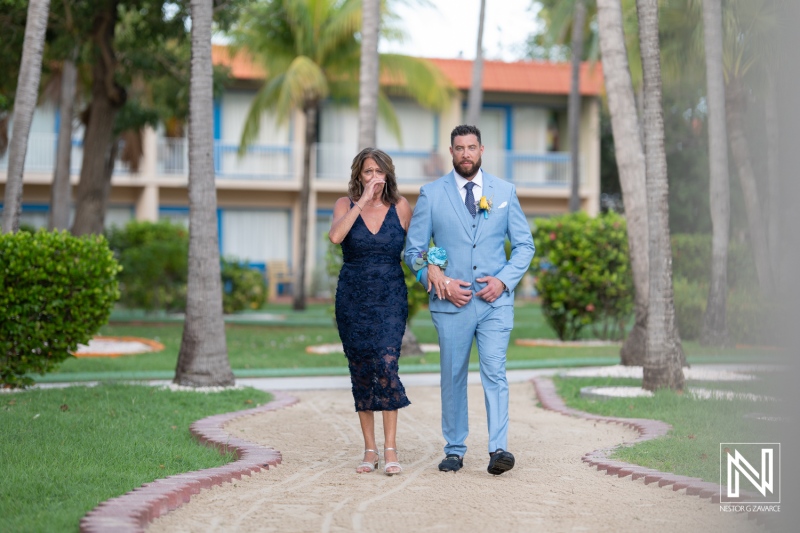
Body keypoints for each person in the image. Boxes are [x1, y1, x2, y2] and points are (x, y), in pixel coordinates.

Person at [404, 125, 535, 475]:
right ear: (451, 152)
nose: (466, 153)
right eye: (459, 148)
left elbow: (524, 246)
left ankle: (498, 450)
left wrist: (504, 281)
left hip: (494, 303)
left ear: (482, 150)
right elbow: (413, 251)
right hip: (451, 305)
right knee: (453, 375)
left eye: (471, 147)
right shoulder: (431, 194)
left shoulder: (504, 191)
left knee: (495, 372)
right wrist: (437, 279)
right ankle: (455, 449)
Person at [329, 147, 414, 476]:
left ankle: (390, 448)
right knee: (362, 370)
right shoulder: (344, 204)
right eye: (368, 172)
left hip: (391, 296)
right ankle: (370, 449)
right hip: (353, 298)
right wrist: (362, 200)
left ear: (388, 174)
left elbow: (417, 248)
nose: (375, 178)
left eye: (379, 172)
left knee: (387, 366)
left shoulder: (402, 207)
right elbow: (336, 236)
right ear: (359, 175)